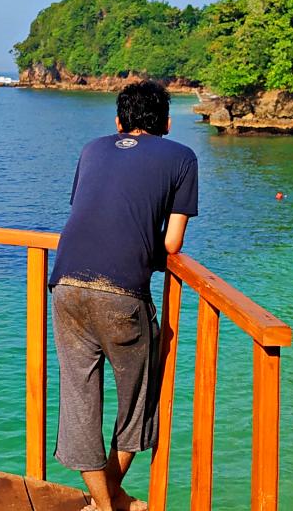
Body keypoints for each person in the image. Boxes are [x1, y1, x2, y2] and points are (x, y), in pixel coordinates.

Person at [49, 81, 197, 511]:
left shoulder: (93, 149)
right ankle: (111, 500)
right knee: (138, 402)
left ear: (118, 122)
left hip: (65, 285)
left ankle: (103, 502)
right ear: (167, 122)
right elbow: (171, 245)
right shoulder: (182, 157)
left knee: (79, 400)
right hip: (121, 293)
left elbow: (88, 210)